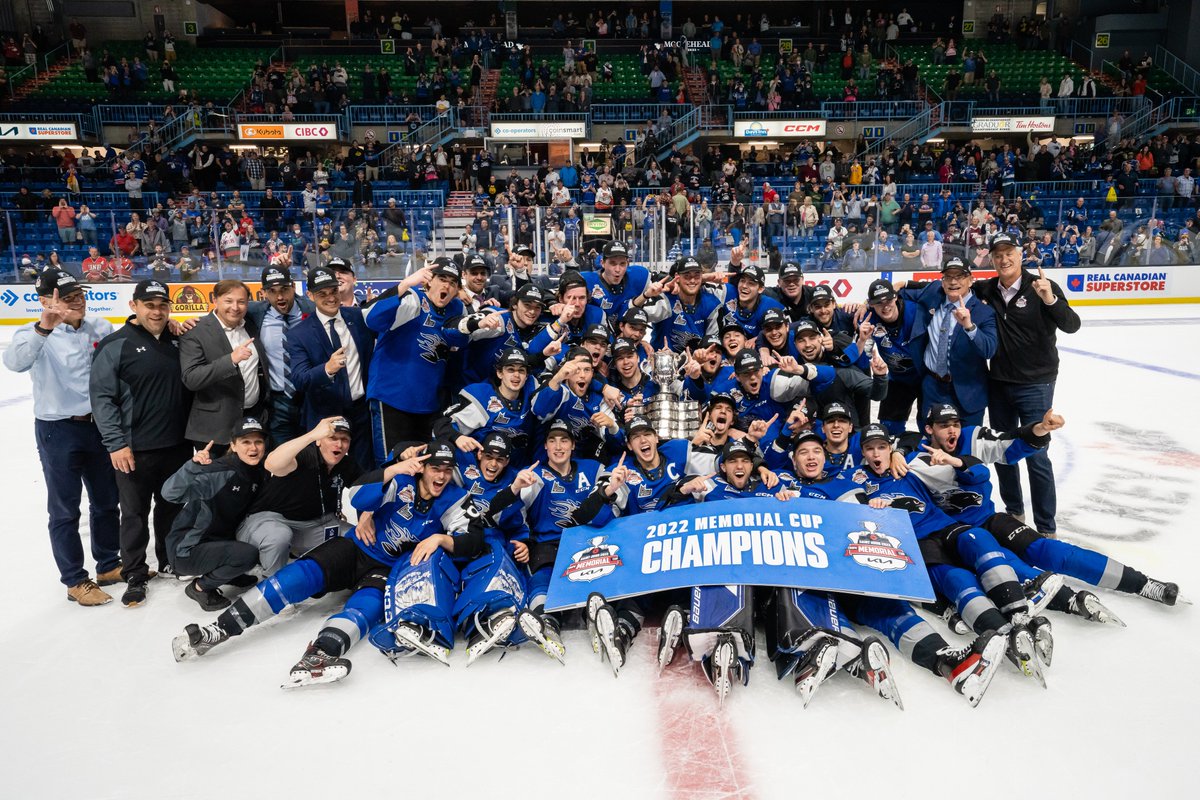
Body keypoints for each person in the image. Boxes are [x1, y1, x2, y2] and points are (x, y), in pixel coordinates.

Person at [171, 441, 487, 687]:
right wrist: (393, 471)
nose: (442, 476)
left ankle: (319, 654)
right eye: (435, 468)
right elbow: (358, 497)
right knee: (297, 577)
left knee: (363, 610)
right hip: (355, 548)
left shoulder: (455, 499)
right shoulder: (400, 480)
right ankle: (218, 630)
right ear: (423, 467)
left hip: (387, 571)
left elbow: (474, 540)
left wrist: (441, 540)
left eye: (448, 469)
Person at [2, 269, 121, 606]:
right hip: (58, 430)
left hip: (98, 426)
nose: (77, 300)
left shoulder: (100, 327)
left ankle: (109, 565)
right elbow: (14, 362)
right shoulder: (33, 333)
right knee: (65, 509)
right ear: (45, 301)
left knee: (106, 501)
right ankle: (74, 579)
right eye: (67, 297)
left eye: (78, 294)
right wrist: (45, 326)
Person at [89, 280, 192, 606]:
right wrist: (116, 444)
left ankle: (168, 559)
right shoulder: (115, 344)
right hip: (134, 449)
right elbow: (102, 398)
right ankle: (134, 572)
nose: (157, 311)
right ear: (134, 306)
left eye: (163, 305)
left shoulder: (177, 341)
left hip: (176, 445)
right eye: (150, 305)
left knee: (171, 508)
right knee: (134, 513)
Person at [973, 232, 1080, 535]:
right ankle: (1014, 513)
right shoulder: (988, 288)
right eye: (998, 254)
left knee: (1036, 454)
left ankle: (1046, 527)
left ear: (1020, 255)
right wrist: (907, 285)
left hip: (1036, 383)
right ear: (992, 259)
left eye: (1009, 253)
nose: (1004, 259)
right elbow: (955, 285)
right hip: (999, 383)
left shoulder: (1041, 286)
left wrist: (1050, 299)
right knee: (1003, 450)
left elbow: (1072, 325)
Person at [364, 257, 472, 461]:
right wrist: (404, 284)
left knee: (425, 466)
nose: (447, 286)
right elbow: (370, 318)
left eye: (452, 282)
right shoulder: (412, 299)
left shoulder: (457, 309)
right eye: (442, 279)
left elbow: (462, 342)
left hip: (429, 403)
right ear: (429, 279)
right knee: (392, 465)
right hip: (392, 397)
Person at [165, 419, 269, 611]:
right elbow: (170, 493)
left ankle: (230, 571)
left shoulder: (257, 471)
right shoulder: (219, 471)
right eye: (246, 442)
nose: (253, 448)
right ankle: (200, 588)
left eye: (258, 442)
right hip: (188, 549)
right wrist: (192, 467)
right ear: (233, 445)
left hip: (218, 540)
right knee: (248, 555)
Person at [237, 416, 363, 575]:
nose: (338, 444)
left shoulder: (348, 464)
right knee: (280, 536)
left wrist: (367, 516)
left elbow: (368, 486)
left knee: (357, 537)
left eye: (344, 439)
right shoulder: (306, 455)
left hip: (311, 526)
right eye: (332, 438)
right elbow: (272, 464)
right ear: (319, 441)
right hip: (268, 520)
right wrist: (311, 435)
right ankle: (273, 589)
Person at [288, 265, 375, 469]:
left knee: (362, 471)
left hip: (361, 412)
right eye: (322, 294)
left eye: (333, 291)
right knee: (326, 473)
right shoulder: (299, 334)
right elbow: (300, 379)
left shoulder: (357, 317)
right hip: (324, 416)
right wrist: (327, 369)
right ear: (309, 295)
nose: (331, 298)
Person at [179, 280, 269, 453]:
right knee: (216, 479)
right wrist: (231, 360)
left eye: (241, 302)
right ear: (215, 299)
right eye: (228, 301)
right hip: (214, 430)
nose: (235, 307)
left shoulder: (250, 324)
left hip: (252, 423)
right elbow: (191, 379)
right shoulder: (194, 331)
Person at [908, 256, 996, 425]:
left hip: (968, 392)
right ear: (942, 282)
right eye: (948, 276)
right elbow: (901, 295)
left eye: (959, 276)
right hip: (933, 387)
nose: (953, 281)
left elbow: (989, 349)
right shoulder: (932, 300)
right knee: (931, 444)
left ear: (971, 281)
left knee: (966, 446)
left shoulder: (984, 312)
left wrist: (969, 326)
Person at [246, 266, 315, 449]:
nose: (280, 297)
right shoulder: (254, 313)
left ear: (293, 287)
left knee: (315, 456)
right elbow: (223, 314)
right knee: (281, 459)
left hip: (311, 398)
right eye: (272, 291)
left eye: (284, 289)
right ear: (263, 293)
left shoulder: (312, 309)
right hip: (278, 402)